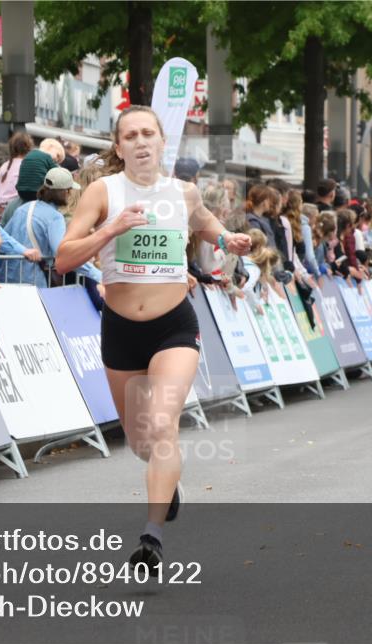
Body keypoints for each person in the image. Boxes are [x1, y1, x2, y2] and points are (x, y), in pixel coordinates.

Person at [55, 105, 251, 570]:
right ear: (119, 148)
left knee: (163, 425)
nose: (142, 141)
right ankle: (168, 485)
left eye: (149, 133)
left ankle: (152, 535)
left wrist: (229, 242)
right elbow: (63, 258)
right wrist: (112, 229)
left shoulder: (182, 192)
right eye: (131, 135)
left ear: (163, 142)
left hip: (173, 326)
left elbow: (208, 225)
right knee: (142, 441)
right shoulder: (103, 191)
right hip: (121, 329)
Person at [0, 166, 101, 289]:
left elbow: (2, 238)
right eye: (70, 190)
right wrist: (97, 274)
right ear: (66, 192)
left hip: (7, 278)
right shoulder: (55, 217)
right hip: (34, 282)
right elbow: (63, 253)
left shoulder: (23, 209)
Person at [0, 131, 33, 212]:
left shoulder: (5, 166)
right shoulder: (27, 166)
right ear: (29, 147)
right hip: (15, 207)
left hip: (0, 206)